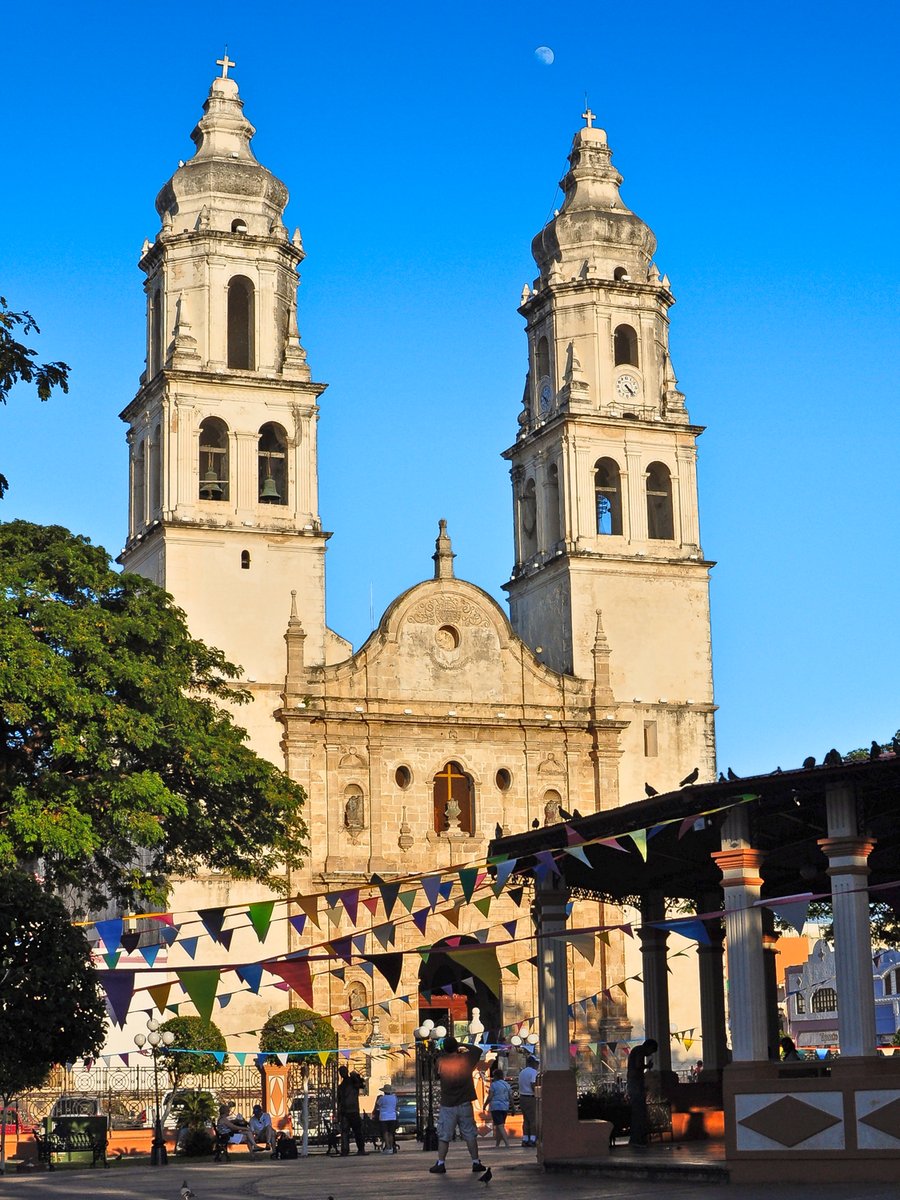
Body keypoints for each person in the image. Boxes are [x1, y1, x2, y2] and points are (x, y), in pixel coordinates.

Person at [428, 1034, 486, 1175]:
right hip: (465, 1102)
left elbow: (435, 1074)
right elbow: (477, 1050)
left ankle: (441, 1163)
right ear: (456, 1047)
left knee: (444, 1135)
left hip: (448, 1104)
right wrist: (461, 1044)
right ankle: (475, 1162)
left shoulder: (441, 1061)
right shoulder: (466, 1059)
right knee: (470, 1134)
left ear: (445, 1048)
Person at [626, 1038, 658, 1146]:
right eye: (651, 1051)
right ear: (648, 1047)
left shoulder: (637, 1050)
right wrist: (647, 1066)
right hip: (635, 1083)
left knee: (638, 1111)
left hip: (635, 1082)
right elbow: (638, 1065)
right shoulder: (639, 1051)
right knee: (639, 1112)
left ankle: (638, 1138)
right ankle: (638, 1139)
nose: (649, 1054)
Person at [337, 1065, 367, 1155]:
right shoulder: (341, 1086)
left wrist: (356, 1076)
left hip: (352, 1110)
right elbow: (339, 1099)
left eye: (343, 1071)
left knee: (356, 1131)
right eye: (341, 1072)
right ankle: (346, 1150)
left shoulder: (352, 1082)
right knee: (346, 1131)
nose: (342, 1073)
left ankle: (360, 1149)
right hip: (346, 1111)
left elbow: (362, 1085)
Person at [484, 1068, 512, 1148]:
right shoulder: (506, 1085)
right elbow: (510, 1097)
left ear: (495, 1076)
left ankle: (507, 1143)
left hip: (496, 1107)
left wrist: (485, 1105)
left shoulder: (494, 1085)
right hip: (505, 1107)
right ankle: (497, 1144)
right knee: (499, 1125)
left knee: (500, 1126)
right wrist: (513, 1107)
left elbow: (490, 1097)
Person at [517, 1056, 538, 1147]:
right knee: (533, 1119)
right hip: (530, 1097)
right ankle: (533, 1139)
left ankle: (525, 1138)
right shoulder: (533, 1072)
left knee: (526, 1119)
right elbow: (533, 1084)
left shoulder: (522, 1072)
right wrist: (537, 1093)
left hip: (522, 1097)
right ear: (533, 1063)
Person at [374, 1083, 398, 1154]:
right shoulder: (394, 1098)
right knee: (391, 1133)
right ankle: (391, 1147)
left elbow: (377, 1106)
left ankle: (387, 1147)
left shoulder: (382, 1098)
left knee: (385, 1132)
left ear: (384, 1091)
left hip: (384, 1117)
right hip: (393, 1117)